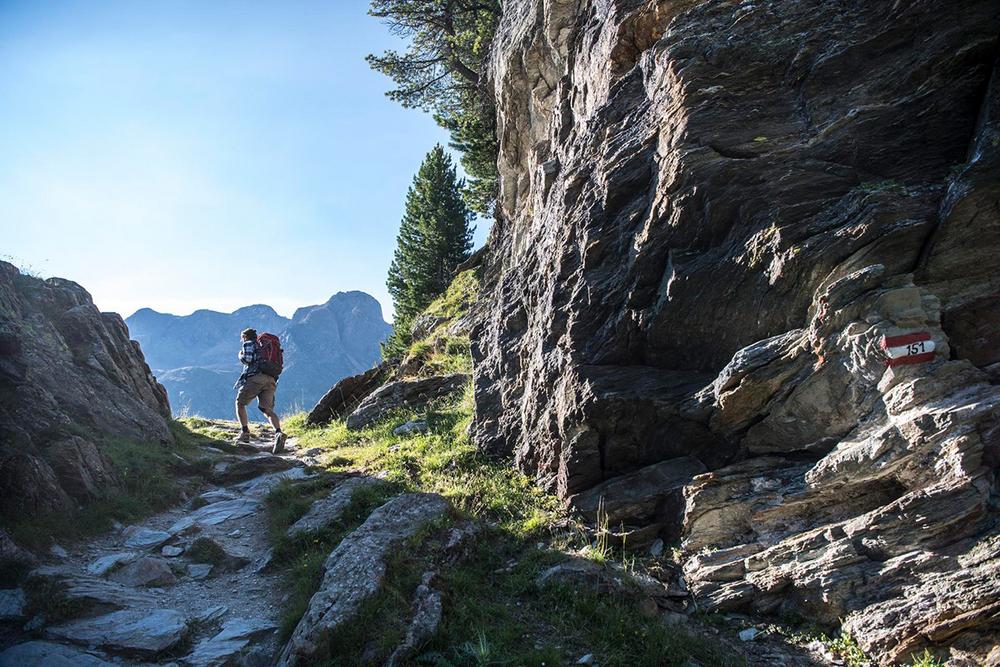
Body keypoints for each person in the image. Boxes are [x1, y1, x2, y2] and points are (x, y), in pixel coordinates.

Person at [234, 327, 287, 453]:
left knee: (240, 403)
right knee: (267, 410)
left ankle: (245, 433)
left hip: (256, 378)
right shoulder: (263, 346)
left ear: (245, 337)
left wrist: (240, 355)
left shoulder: (249, 343)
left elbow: (247, 359)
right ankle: (278, 433)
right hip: (271, 379)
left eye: (242, 338)